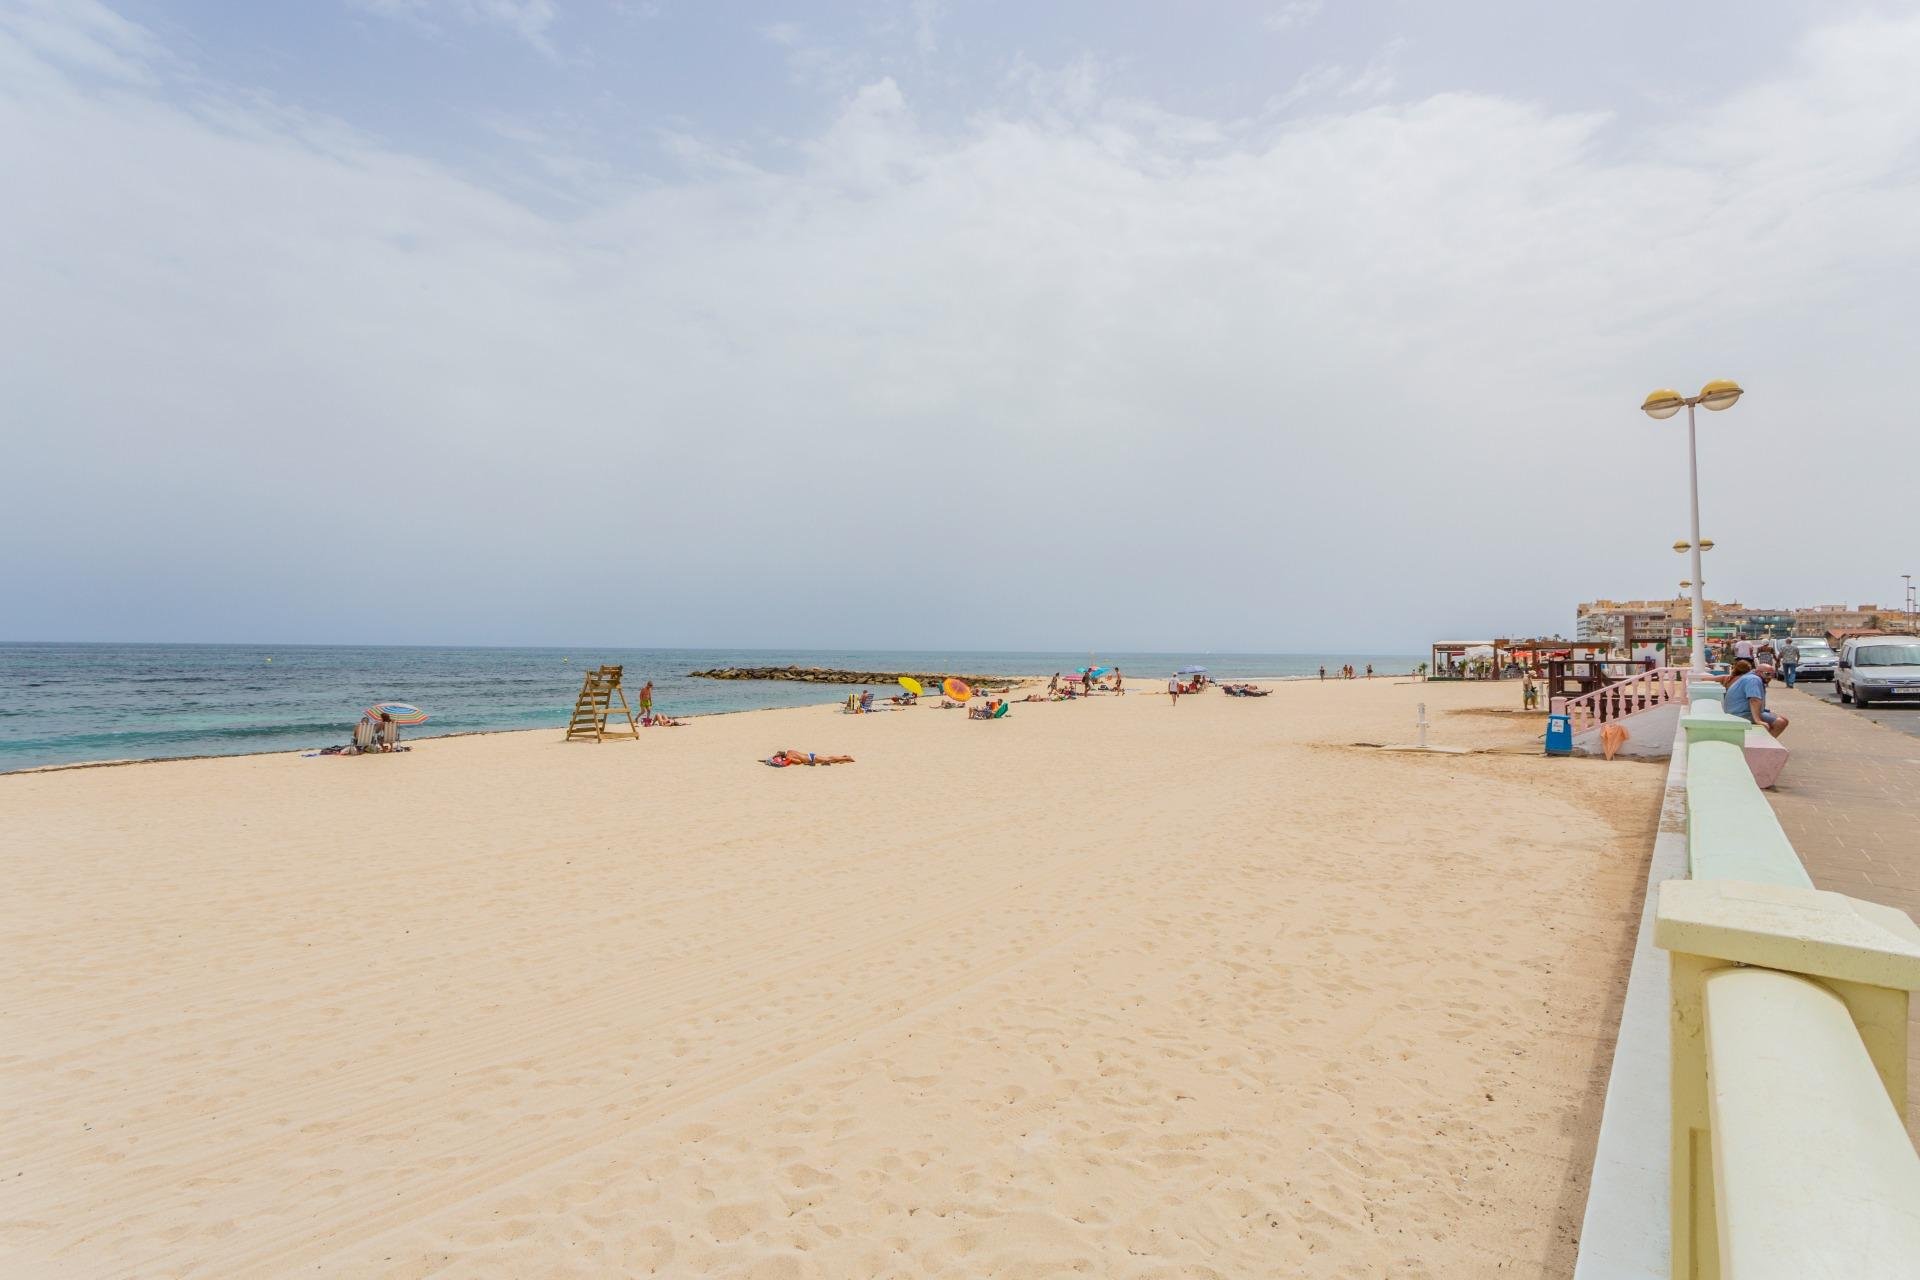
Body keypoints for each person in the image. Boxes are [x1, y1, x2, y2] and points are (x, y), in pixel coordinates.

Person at [1722, 659, 1788, 738]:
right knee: (1780, 722)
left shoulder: (1750, 677)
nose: (1770, 677)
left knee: (1783, 719)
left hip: (1739, 712)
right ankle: (1764, 746)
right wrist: (1758, 720)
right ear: (1758, 672)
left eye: (1772, 675)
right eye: (1767, 674)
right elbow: (1754, 700)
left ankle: (1764, 742)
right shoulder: (1754, 679)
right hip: (1739, 714)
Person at [765, 749, 854, 766]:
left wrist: (790, 760)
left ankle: (846, 758)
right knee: (829, 758)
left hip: (811, 759)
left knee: (829, 759)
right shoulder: (789, 751)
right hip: (810, 755)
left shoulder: (789, 756)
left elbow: (799, 762)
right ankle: (843, 757)